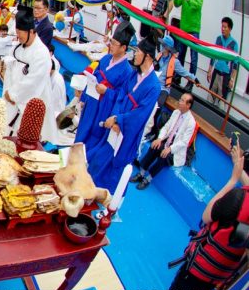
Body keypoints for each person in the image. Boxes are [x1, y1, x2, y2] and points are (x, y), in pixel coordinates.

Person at [146, 141, 247, 290]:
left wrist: (233, 180)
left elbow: (206, 216)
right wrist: (240, 171)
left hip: (198, 269)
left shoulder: (237, 198)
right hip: (217, 275)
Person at [85, 35, 161, 192]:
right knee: (100, 158)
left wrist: (119, 120)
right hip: (116, 123)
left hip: (128, 132)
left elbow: (141, 114)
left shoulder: (154, 86)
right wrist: (114, 117)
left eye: (138, 51)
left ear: (147, 56)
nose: (135, 55)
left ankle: (108, 200)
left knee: (116, 167)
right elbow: (120, 97)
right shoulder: (134, 74)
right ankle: (91, 190)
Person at [75, 21, 136, 148]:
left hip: (104, 108)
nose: (111, 45)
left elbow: (123, 97)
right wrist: (83, 98)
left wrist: (107, 92)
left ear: (124, 48)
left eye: (114, 43)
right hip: (92, 101)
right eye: (111, 41)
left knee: (94, 139)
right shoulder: (106, 58)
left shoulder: (128, 71)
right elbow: (94, 77)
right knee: (82, 131)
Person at [3, 6, 53, 140]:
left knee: (24, 139)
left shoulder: (41, 53)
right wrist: (8, 92)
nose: (18, 36)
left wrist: (13, 94)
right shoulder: (18, 47)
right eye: (17, 32)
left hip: (27, 103)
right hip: (11, 98)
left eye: (20, 33)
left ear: (31, 31)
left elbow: (33, 82)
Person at [131, 93, 198, 190]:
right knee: (154, 146)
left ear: (188, 105)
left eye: (183, 101)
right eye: (180, 99)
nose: (179, 101)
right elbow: (166, 127)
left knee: (164, 156)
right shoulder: (176, 112)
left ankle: (148, 179)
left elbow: (184, 142)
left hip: (175, 150)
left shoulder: (191, 122)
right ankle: (141, 173)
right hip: (167, 143)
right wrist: (159, 139)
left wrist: (170, 149)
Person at [174, 0, 203, 78]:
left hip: (194, 30)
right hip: (183, 29)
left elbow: (197, 6)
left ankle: (191, 81)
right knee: (181, 54)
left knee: (193, 57)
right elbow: (177, 4)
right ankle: (177, 78)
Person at [207, 16, 238, 103]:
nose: (223, 29)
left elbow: (235, 63)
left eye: (225, 27)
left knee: (222, 99)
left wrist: (232, 79)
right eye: (222, 27)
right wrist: (209, 71)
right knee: (210, 95)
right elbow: (213, 55)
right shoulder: (218, 39)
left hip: (226, 75)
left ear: (230, 29)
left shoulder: (234, 44)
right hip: (216, 71)